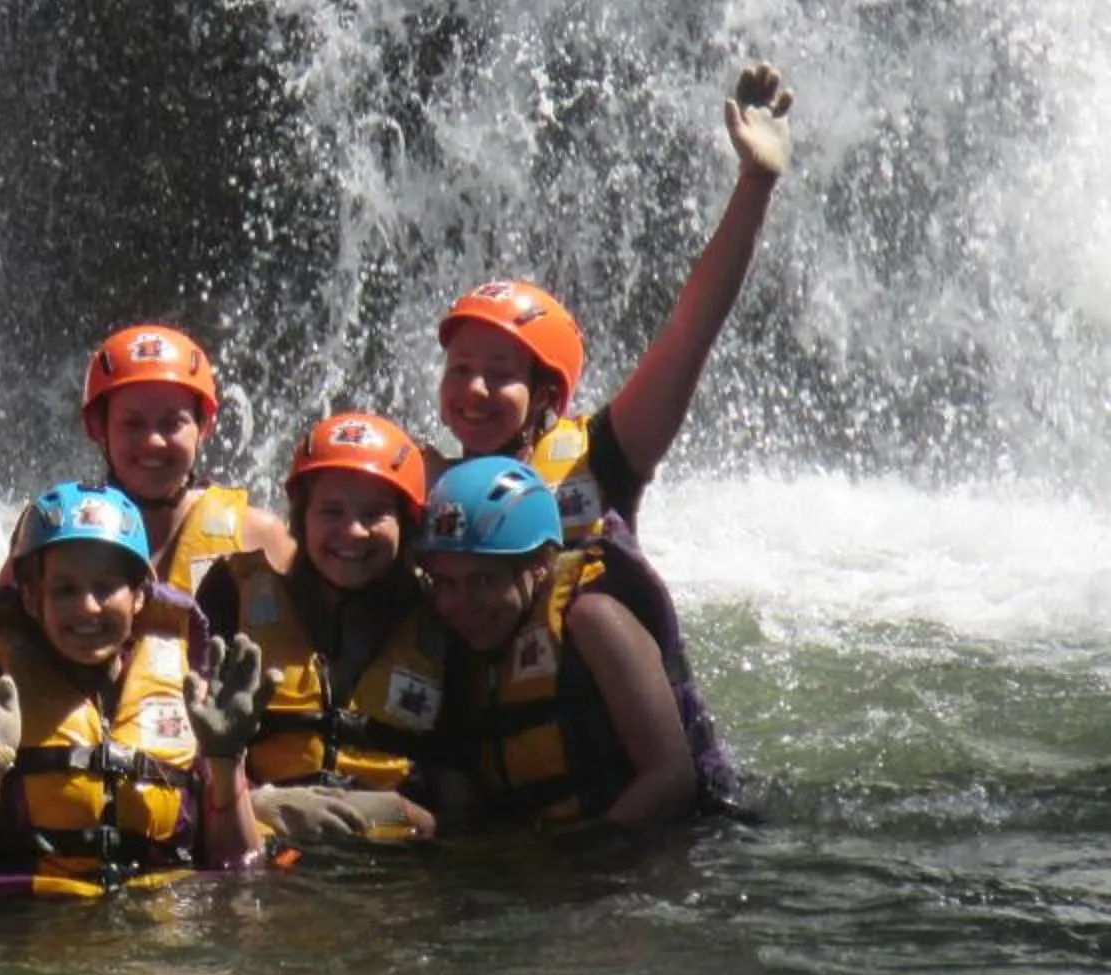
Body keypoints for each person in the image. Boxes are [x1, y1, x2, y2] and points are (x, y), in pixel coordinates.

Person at [433, 62, 793, 540]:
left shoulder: (602, 455)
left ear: (544, 393)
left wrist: (755, 184)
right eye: (460, 369)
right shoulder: (418, 486)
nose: (474, 389)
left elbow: (690, 334)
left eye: (500, 374)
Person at [0, 483, 268, 893]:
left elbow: (239, 869)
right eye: (65, 590)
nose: (88, 607)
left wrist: (226, 761)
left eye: (105, 588)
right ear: (30, 599)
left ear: (139, 596)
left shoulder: (196, 697)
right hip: (30, 924)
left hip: (161, 929)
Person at [412, 457, 744, 831]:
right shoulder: (452, 649)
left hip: (663, 847)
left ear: (539, 563)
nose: (462, 605)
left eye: (484, 581)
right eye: (445, 583)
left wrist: (581, 867)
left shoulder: (594, 620)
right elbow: (464, 809)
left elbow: (670, 778)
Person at [194, 411, 453, 847]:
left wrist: (403, 816)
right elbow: (186, 755)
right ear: (301, 518)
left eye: (375, 514)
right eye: (331, 511)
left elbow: (465, 802)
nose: (352, 531)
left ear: (405, 525)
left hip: (393, 864)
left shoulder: (441, 617)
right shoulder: (230, 594)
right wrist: (260, 803)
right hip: (265, 850)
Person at [81, 324, 290, 592]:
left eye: (172, 423)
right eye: (132, 423)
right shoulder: (53, 539)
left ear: (204, 427)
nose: (153, 441)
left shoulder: (260, 537)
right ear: (98, 427)